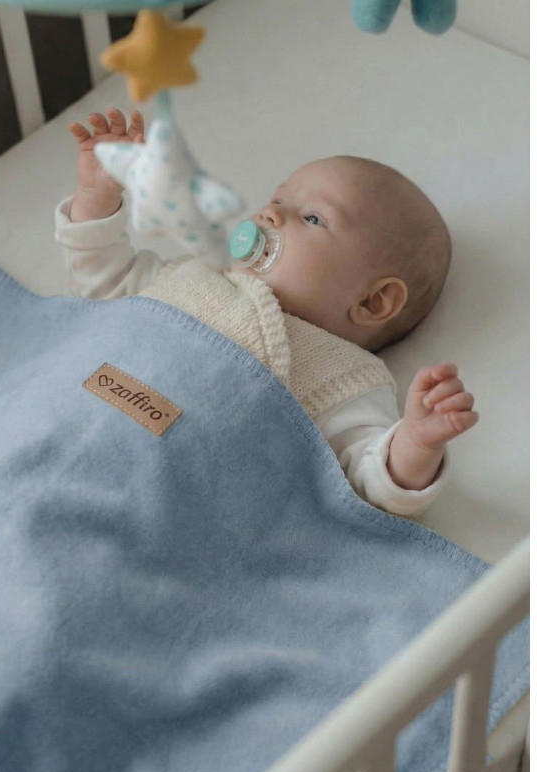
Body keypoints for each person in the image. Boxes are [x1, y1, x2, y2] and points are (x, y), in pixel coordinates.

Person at [55, 108, 478, 517]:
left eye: (312, 218)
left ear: (373, 301)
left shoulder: (344, 375)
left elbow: (366, 483)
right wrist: (96, 197)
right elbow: (106, 285)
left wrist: (416, 444)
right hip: (72, 415)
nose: (269, 213)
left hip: (167, 483)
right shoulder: (190, 277)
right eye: (277, 199)